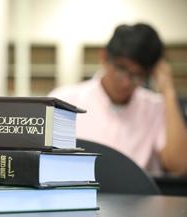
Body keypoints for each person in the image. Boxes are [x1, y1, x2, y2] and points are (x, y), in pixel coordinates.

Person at [49, 23, 187, 175]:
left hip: (138, 197)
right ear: (104, 57)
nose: (126, 82)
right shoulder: (64, 101)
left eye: (137, 75)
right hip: (74, 194)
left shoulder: (155, 107)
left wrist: (168, 91)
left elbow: (179, 165)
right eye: (121, 69)